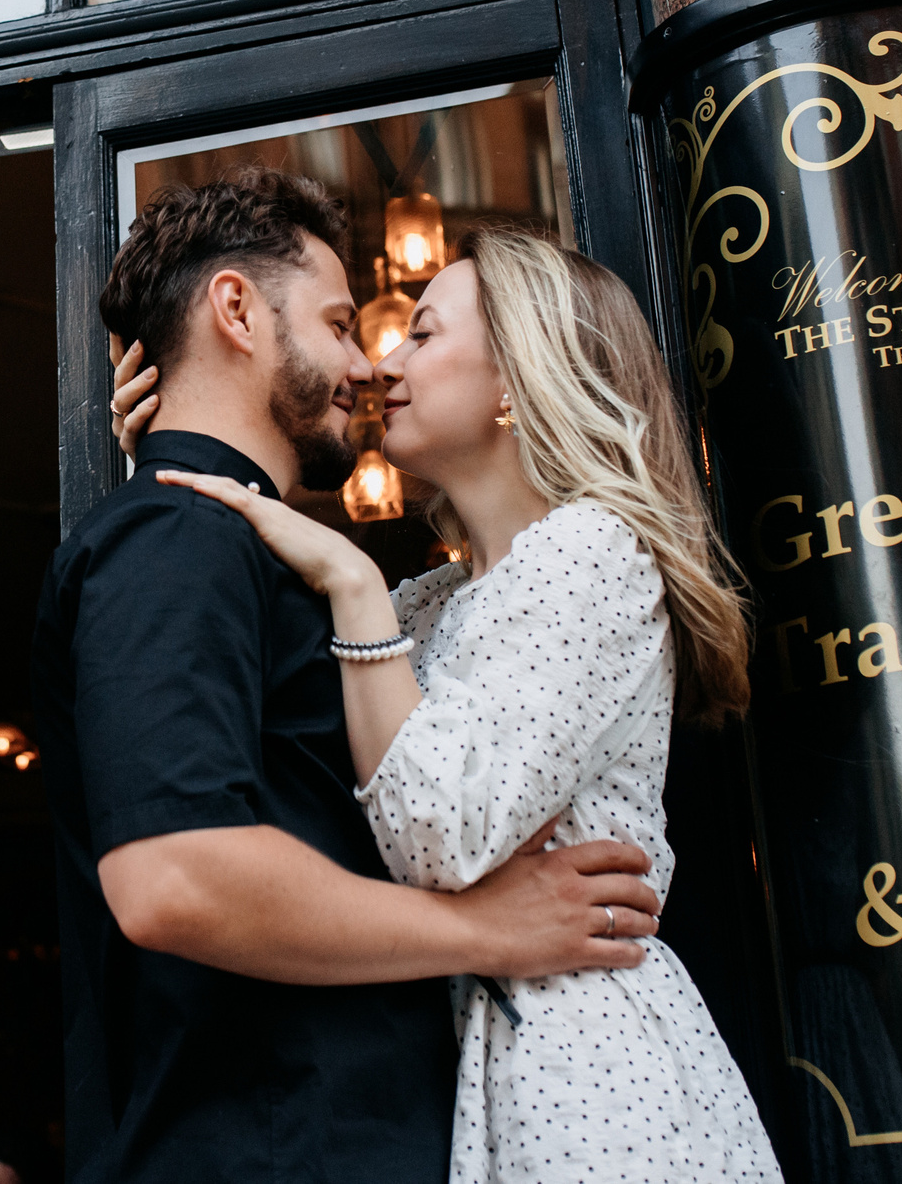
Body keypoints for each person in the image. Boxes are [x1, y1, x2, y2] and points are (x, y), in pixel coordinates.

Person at [33, 168, 668, 1184]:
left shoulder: (280, 565)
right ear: (236, 311)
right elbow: (173, 877)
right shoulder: (174, 542)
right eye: (341, 322)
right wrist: (479, 930)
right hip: (273, 1148)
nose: (363, 364)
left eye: (411, 332)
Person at [135, 223, 783, 1182]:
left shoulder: (593, 552)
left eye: (423, 334)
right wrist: (173, 442)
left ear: (518, 377)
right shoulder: (433, 602)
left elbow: (439, 831)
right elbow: (306, 756)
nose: (385, 362)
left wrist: (353, 584)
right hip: (474, 1054)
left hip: (583, 1066)